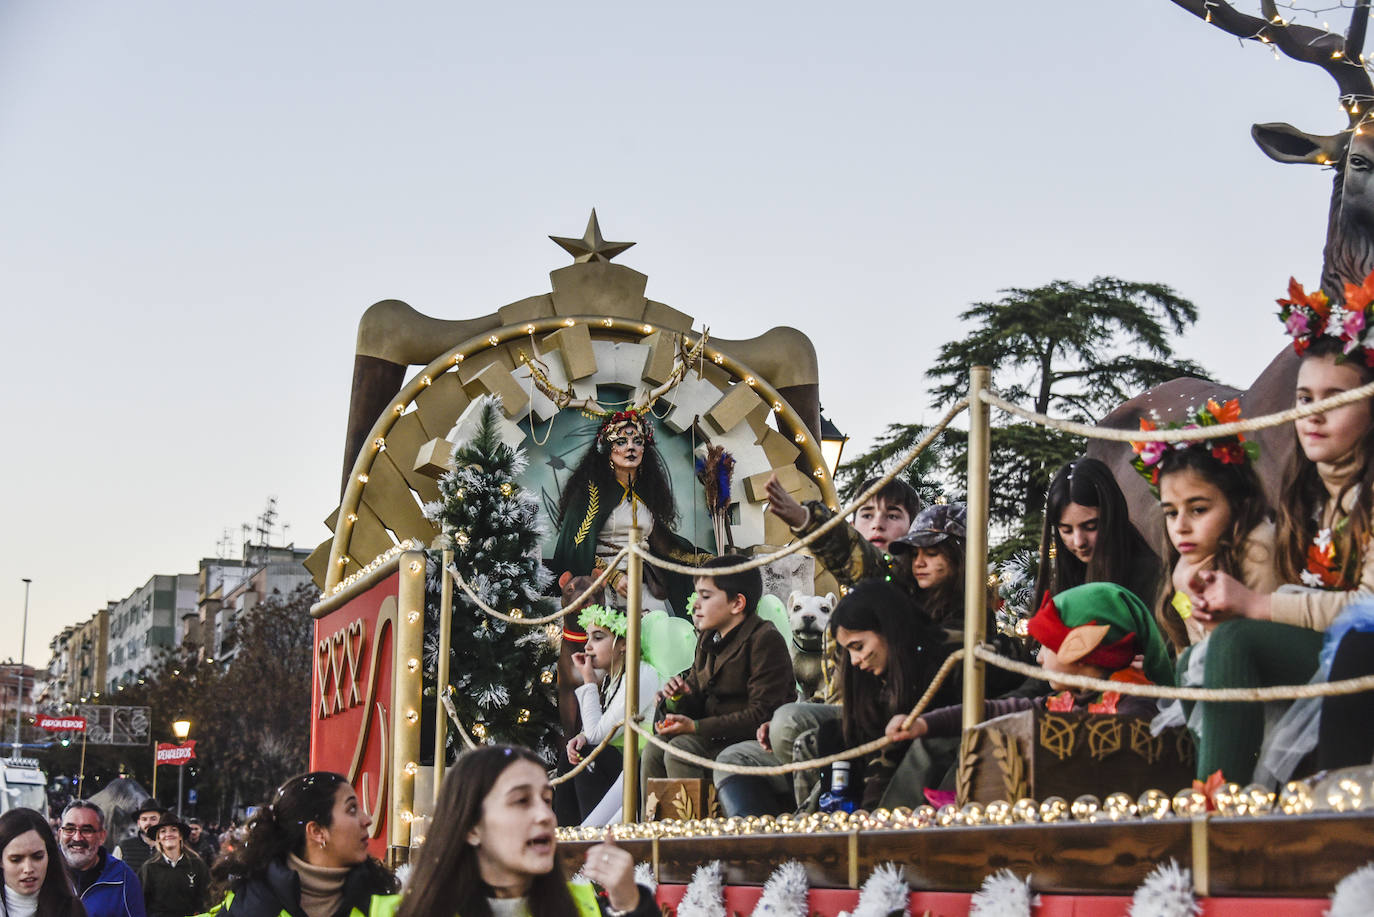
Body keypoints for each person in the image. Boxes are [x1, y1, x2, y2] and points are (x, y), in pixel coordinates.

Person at [1187, 293, 1374, 782]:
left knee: (1236, 643)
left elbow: (1368, 611)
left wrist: (1257, 606)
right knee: (1196, 657)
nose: (1314, 414)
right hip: (1333, 651)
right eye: (1305, 398)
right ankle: (1214, 795)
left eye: (1335, 399)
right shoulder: (1308, 496)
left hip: (1364, 655)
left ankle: (1221, 810)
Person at [887, 582, 1174, 745]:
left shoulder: (1136, 708)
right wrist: (924, 724)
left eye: (1048, 646)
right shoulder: (1063, 702)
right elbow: (994, 711)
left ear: (1084, 651)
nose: (1038, 658)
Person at [394, 745, 656, 917]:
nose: (546, 816)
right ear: (471, 828)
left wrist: (629, 904)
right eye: (521, 801)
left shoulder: (585, 909)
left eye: (547, 800)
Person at [640, 555, 796, 799]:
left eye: (705, 596)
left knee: (681, 748)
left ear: (737, 603)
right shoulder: (707, 639)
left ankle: (698, 823)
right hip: (715, 738)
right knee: (654, 748)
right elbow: (696, 695)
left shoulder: (764, 640)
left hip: (754, 742)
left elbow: (762, 714)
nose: (695, 605)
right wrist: (676, 698)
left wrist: (696, 727)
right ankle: (654, 821)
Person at [1129, 397, 1276, 652]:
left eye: (1198, 510)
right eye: (1171, 513)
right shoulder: (1184, 567)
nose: (1181, 527)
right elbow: (1189, 653)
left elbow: (1256, 650)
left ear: (1237, 503)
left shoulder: (1259, 547)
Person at [565, 604, 691, 826]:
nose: (588, 646)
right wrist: (581, 736)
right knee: (572, 755)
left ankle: (587, 835)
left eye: (598, 637)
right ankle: (564, 831)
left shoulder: (642, 673)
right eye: (588, 637)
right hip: (622, 759)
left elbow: (598, 736)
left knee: (588, 753)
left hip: (641, 762)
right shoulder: (613, 678)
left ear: (623, 644)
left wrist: (588, 680)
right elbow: (596, 732)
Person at [207, 772, 397, 916]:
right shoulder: (244, 908)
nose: (367, 820)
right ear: (317, 832)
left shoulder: (389, 905)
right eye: (352, 809)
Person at [1034, 457, 1163, 606]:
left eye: (1091, 526)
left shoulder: (1154, 581)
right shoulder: (1063, 580)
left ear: (1113, 516)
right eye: (1066, 530)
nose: (1079, 542)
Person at [764, 473, 922, 593]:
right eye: (867, 515)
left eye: (892, 516)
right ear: (852, 526)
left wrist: (809, 521)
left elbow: (869, 565)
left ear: (913, 527)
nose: (877, 524)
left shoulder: (917, 582)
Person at [58, 800, 146, 917]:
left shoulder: (124, 879)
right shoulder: (45, 872)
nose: (77, 838)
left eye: (86, 830)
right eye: (70, 829)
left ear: (102, 837)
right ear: (60, 834)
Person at [0, 806, 86, 917]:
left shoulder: (72, 910)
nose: (28, 869)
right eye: (16, 860)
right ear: (1, 861)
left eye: (38, 857)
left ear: (49, 856)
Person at [138, 813, 209, 917]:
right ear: (158, 838)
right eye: (163, 831)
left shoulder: (197, 865)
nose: (168, 834)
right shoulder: (149, 868)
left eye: (173, 830)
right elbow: (140, 902)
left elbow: (206, 897)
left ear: (180, 836)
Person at [113, 801, 163, 874]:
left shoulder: (169, 847)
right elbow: (112, 875)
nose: (148, 823)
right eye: (144, 819)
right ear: (138, 823)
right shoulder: (123, 847)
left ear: (161, 821)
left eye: (153, 819)